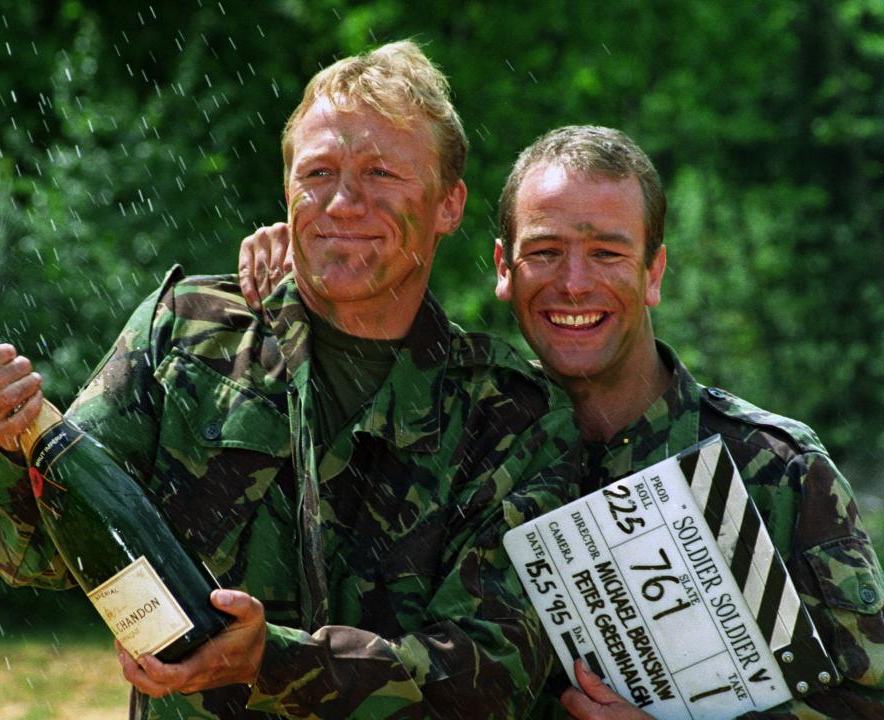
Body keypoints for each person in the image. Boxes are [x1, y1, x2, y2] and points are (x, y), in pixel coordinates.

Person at [0, 42, 579, 719]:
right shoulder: (187, 334)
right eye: (318, 172)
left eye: (381, 173)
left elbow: (487, 677)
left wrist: (271, 661)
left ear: (449, 204)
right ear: (286, 192)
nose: (343, 202)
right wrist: (7, 441)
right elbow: (30, 555)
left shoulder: (510, 414)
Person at [238, 125, 884, 719]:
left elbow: (867, 700)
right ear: (502, 269)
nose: (574, 284)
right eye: (545, 251)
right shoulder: (454, 441)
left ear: (652, 272)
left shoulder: (774, 469)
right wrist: (323, 256)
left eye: (606, 253)